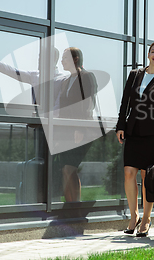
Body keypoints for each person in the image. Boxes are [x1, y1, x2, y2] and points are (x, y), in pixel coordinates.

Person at [116, 41, 154, 237]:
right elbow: (125, 102)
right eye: (153, 52)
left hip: (153, 135)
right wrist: (120, 126)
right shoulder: (134, 75)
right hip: (133, 131)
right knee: (129, 174)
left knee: (146, 176)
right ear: (148, 54)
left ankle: (147, 219)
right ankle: (134, 216)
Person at [53, 47, 98, 202]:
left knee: (69, 168)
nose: (62, 61)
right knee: (64, 170)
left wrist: (80, 127)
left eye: (65, 58)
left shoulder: (86, 76)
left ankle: (76, 205)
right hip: (66, 131)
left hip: (81, 130)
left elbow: (88, 104)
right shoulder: (66, 81)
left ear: (75, 59)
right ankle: (70, 206)